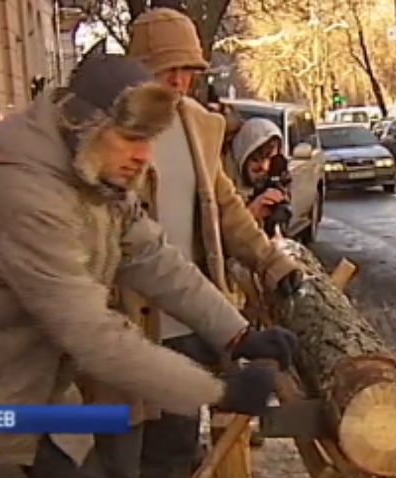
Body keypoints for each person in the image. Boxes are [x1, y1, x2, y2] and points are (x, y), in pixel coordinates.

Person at [0, 53, 296, 478]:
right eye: (129, 137)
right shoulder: (27, 198)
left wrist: (237, 334)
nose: (143, 156)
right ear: (83, 125)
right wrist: (215, 390)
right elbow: (92, 334)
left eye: (149, 139)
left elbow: (153, 257)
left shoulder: (95, 179)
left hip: (31, 396)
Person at [123, 9, 304, 478]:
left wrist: (271, 263)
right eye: (168, 69)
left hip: (190, 316)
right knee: (122, 453)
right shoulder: (112, 133)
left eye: (189, 70)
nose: (180, 81)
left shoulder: (199, 126)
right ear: (139, 68)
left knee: (175, 448)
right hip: (126, 321)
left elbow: (225, 207)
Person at [228, 118, 289, 223]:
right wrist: (251, 212)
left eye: (270, 159)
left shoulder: (276, 182)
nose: (264, 167)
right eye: (255, 159)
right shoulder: (225, 190)